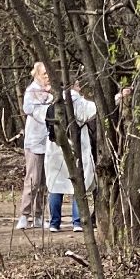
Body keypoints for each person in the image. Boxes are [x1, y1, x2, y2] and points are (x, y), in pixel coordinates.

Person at [43, 85, 97, 232]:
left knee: (55, 186)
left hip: (54, 149)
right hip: (77, 149)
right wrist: (119, 97)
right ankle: (77, 222)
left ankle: (54, 223)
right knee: (78, 185)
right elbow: (97, 108)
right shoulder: (78, 102)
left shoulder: (50, 101)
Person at [17, 63, 53, 230]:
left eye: (48, 73)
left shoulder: (52, 90)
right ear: (37, 74)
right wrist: (46, 100)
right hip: (34, 141)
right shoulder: (32, 90)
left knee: (45, 181)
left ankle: (39, 215)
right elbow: (29, 108)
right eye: (44, 73)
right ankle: (24, 215)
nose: (47, 76)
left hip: (49, 141)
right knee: (33, 179)